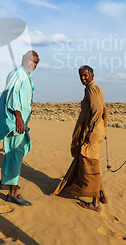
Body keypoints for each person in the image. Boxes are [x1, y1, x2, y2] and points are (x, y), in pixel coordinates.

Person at [0, 50, 39, 206]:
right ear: (23, 59)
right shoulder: (17, 73)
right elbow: (11, 93)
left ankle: (6, 182)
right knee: (16, 154)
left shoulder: (26, 76)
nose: (33, 64)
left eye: (36, 62)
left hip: (20, 122)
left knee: (12, 153)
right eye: (31, 60)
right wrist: (18, 115)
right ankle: (13, 193)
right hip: (15, 122)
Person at [53, 64, 108, 212]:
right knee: (92, 160)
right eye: (81, 76)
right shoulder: (95, 88)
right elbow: (104, 109)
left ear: (92, 75)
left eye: (86, 75)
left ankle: (95, 202)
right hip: (98, 129)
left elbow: (97, 109)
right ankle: (102, 194)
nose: (83, 78)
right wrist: (104, 128)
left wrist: (91, 130)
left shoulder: (91, 88)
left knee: (89, 162)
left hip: (93, 131)